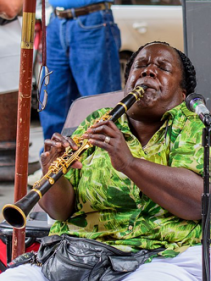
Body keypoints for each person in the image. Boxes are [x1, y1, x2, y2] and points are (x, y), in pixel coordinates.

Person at [0, 41, 205, 280]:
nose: (148, 71)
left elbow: (196, 204)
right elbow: (61, 212)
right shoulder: (98, 122)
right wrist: (53, 175)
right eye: (141, 65)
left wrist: (130, 164)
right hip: (78, 255)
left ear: (182, 94)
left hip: (161, 255)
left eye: (163, 68)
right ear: (127, 85)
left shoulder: (192, 125)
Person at [38, 0, 122, 144]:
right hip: (56, 21)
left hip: (92, 19)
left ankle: (102, 163)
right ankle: (55, 162)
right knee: (52, 100)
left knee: (99, 104)